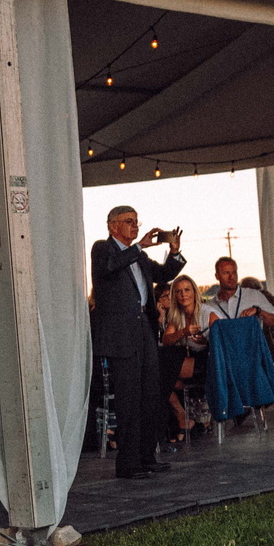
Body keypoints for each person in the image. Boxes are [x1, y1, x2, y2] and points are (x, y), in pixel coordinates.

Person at [90, 205, 183, 478]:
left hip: (144, 328)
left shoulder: (139, 257)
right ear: (112, 226)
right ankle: (128, 463)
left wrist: (174, 252)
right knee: (129, 399)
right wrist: (139, 248)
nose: (135, 227)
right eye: (128, 222)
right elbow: (109, 267)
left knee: (150, 395)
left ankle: (146, 456)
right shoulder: (103, 249)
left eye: (136, 222)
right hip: (120, 335)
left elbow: (164, 274)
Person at [156, 275, 207, 446]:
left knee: (158, 369)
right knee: (160, 369)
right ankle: (181, 417)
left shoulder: (207, 311)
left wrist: (205, 340)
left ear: (194, 292)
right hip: (187, 362)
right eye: (178, 291)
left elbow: (221, 337)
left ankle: (178, 418)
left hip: (208, 361)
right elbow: (167, 340)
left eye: (187, 290)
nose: (183, 294)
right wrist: (184, 332)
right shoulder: (177, 316)